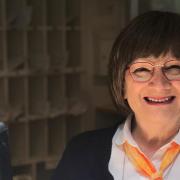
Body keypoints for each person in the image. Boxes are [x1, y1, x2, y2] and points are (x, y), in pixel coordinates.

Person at [52, 10, 180, 180]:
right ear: (122, 84)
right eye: (141, 69)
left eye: (174, 68)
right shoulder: (81, 154)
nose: (159, 82)